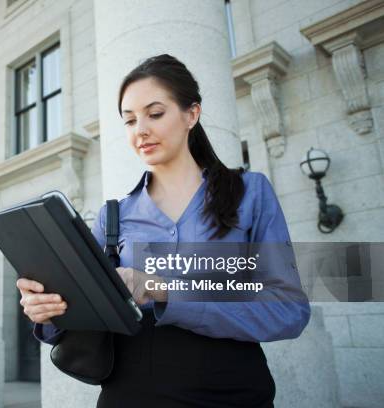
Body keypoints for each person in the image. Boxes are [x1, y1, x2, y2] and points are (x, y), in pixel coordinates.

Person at [17, 54, 310, 407]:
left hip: (232, 393)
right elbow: (82, 320)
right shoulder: (113, 217)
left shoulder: (250, 192)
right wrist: (48, 308)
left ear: (192, 114)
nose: (141, 130)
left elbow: (288, 310)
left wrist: (161, 290)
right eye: (129, 120)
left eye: (155, 114)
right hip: (130, 395)